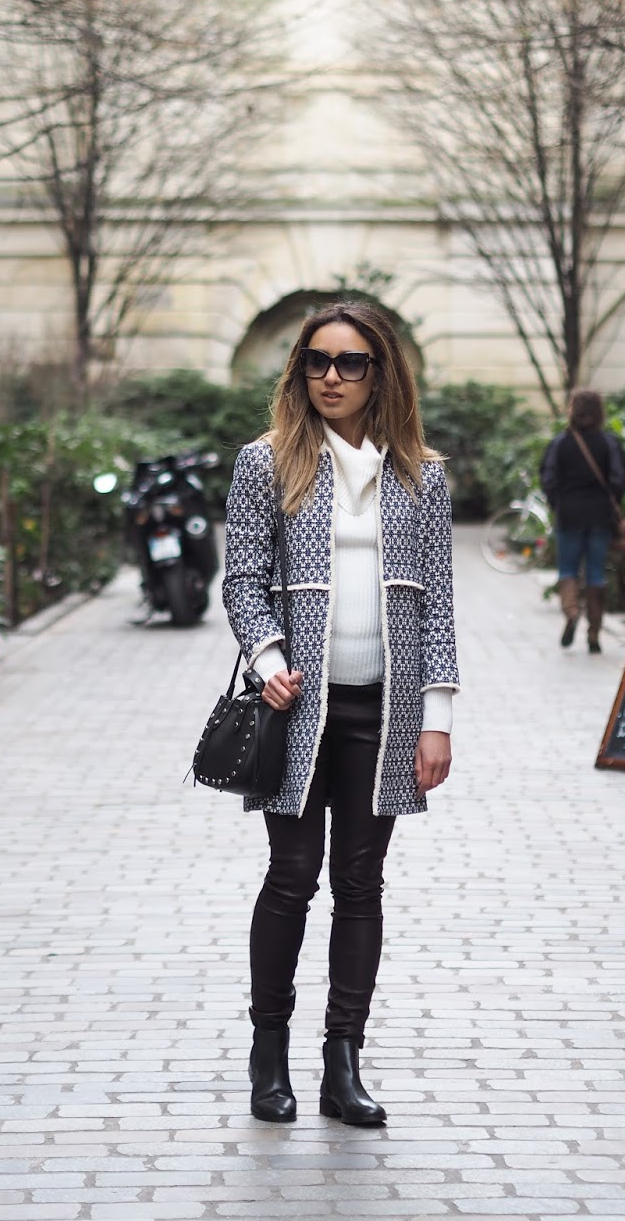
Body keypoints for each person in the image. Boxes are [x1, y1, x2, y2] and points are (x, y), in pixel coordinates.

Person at [222, 301, 459, 1127]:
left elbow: (439, 604)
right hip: (297, 708)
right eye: (317, 361)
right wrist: (269, 662)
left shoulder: (420, 475)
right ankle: (268, 1054)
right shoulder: (267, 463)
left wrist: (437, 717)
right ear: (300, 372)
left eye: (351, 362)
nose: (332, 376)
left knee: (360, 883)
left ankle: (343, 1062)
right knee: (292, 876)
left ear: (379, 374)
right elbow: (242, 579)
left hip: (384, 712)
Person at [539, 387, 625, 655]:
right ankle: (594, 633)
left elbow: (548, 478)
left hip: (568, 514)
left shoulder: (560, 443)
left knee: (567, 570)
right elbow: (619, 478)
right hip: (599, 515)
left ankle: (571, 612)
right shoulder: (608, 443)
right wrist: (611, 502)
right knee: (596, 573)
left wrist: (558, 503)